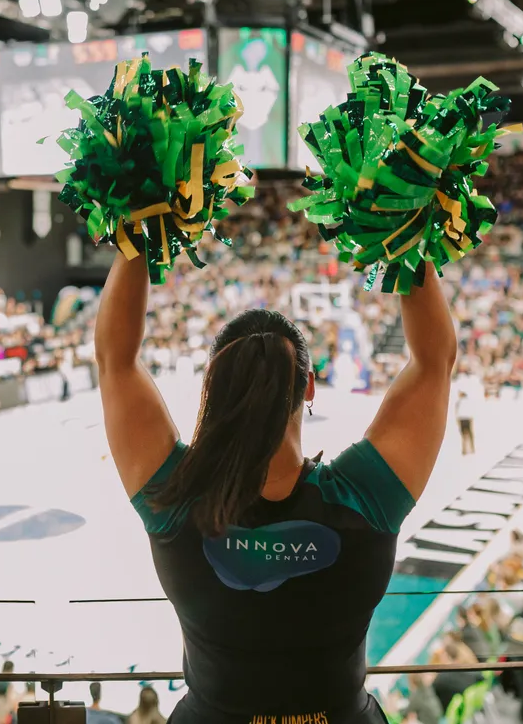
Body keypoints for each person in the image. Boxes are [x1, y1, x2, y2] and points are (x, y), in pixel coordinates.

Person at [94, 250, 456, 724]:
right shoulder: (365, 496)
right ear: (309, 387)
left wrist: (138, 232)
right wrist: (407, 237)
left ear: (211, 386)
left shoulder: (176, 496)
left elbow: (115, 361)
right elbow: (435, 362)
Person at [456, 388, 475, 456]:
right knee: (469, 435)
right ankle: (470, 449)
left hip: (463, 419)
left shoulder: (460, 402)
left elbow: (457, 412)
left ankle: (465, 450)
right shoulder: (462, 402)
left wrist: (458, 420)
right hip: (466, 419)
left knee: (465, 435)